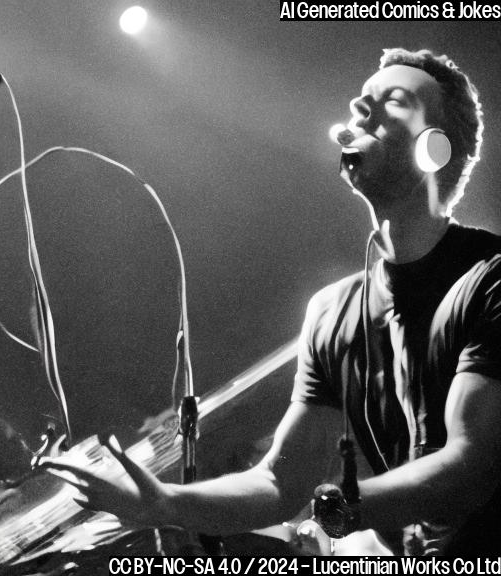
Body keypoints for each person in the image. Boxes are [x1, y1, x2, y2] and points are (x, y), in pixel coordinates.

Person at [41, 48, 501, 556]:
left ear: (435, 148)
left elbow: (469, 467)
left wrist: (339, 509)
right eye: (361, 100)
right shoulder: (331, 311)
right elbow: (282, 483)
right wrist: (164, 503)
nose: (358, 108)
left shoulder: (492, 278)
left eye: (391, 100)